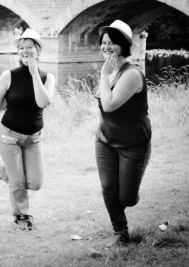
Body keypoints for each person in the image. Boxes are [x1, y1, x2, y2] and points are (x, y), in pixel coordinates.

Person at [0, 29, 55, 230]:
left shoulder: (48, 78)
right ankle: (21, 216)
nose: (25, 51)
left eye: (29, 47)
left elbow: (43, 102)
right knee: (18, 181)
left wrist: (34, 74)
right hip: (8, 136)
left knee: (35, 183)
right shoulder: (8, 76)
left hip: (33, 139)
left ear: (38, 50)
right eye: (21, 48)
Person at [95, 20, 151, 245]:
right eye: (104, 43)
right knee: (109, 188)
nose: (106, 47)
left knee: (126, 197)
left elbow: (110, 105)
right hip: (105, 141)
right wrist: (100, 126)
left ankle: (131, 190)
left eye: (112, 43)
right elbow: (101, 108)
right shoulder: (108, 71)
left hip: (133, 143)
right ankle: (121, 232)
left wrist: (103, 75)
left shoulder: (132, 74)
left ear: (124, 46)